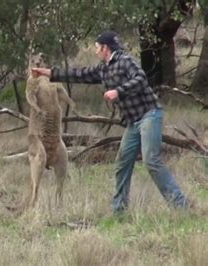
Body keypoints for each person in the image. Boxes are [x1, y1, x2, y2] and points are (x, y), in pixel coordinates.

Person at [32, 31, 189, 214]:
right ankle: (119, 209)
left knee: (151, 160)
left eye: (97, 48)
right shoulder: (103, 68)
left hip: (149, 115)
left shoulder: (125, 61)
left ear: (106, 48)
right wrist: (47, 73)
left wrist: (118, 92)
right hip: (133, 122)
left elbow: (140, 79)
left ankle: (180, 205)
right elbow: (79, 74)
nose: (96, 51)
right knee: (122, 163)